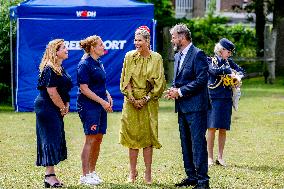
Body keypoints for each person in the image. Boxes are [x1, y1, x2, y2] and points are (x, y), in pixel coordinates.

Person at [165, 23, 210, 189]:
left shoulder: (198, 54)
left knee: (198, 144)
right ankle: (191, 177)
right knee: (186, 144)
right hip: (182, 107)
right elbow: (180, 80)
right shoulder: (178, 56)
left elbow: (201, 80)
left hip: (196, 107)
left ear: (182, 37)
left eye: (174, 37)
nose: (172, 40)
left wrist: (180, 92)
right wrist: (174, 91)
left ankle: (203, 182)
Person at [119, 25, 166, 184]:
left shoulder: (156, 58)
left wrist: (145, 98)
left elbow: (159, 84)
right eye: (135, 40)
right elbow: (125, 79)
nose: (136, 43)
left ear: (147, 41)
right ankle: (132, 173)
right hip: (131, 101)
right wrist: (132, 98)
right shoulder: (129, 56)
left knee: (148, 138)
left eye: (139, 40)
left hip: (149, 102)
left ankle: (148, 173)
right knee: (132, 137)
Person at [34, 39, 73, 188]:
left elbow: (64, 88)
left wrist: (66, 104)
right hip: (47, 107)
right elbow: (51, 92)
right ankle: (49, 177)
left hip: (56, 107)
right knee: (50, 139)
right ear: (55, 51)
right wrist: (62, 107)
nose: (66, 50)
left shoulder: (60, 68)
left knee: (55, 138)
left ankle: (51, 175)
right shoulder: (49, 68)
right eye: (64, 48)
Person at [77, 35, 113, 185]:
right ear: (92, 48)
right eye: (100, 45)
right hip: (89, 106)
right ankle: (84, 176)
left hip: (100, 105)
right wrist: (102, 102)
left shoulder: (99, 62)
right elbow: (84, 89)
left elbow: (100, 85)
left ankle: (92, 172)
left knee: (98, 139)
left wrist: (107, 95)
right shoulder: (84, 64)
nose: (103, 47)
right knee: (90, 139)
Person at [207, 38, 245, 167]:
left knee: (223, 128)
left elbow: (241, 71)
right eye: (228, 52)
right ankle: (210, 157)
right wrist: (229, 71)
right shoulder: (211, 60)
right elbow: (213, 71)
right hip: (214, 98)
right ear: (221, 50)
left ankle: (220, 157)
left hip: (226, 98)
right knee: (212, 128)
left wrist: (237, 76)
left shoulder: (229, 62)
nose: (229, 55)